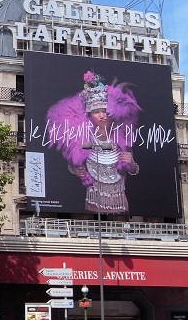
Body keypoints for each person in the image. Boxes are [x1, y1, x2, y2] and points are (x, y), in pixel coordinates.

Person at [48, 70, 141, 214]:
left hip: (120, 202)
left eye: (105, 111)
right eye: (97, 112)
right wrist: (76, 169)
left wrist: (132, 163)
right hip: (92, 203)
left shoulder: (121, 139)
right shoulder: (85, 139)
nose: (102, 115)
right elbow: (76, 160)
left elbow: (133, 170)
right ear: (89, 115)